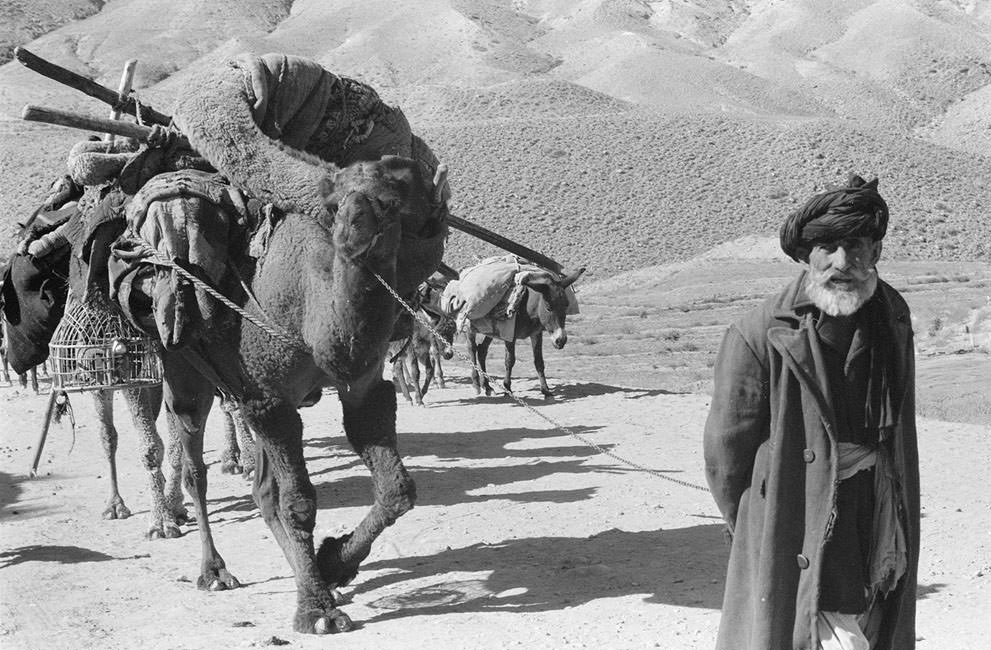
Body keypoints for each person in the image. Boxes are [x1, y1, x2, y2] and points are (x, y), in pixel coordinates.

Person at [703, 174, 920, 650]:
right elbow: (726, 454)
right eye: (829, 247)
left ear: (876, 253)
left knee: (874, 616)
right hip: (790, 508)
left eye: (858, 246)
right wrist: (758, 521)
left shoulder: (892, 316)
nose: (844, 263)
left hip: (875, 507)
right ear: (806, 255)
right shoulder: (760, 332)